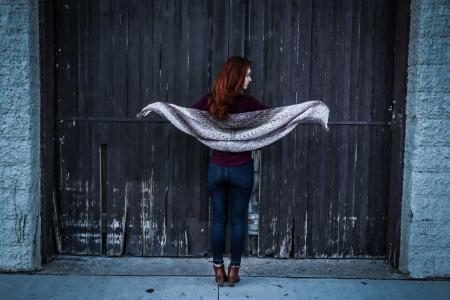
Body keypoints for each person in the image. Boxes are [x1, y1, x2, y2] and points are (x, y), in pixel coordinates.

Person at [191, 56, 270, 287]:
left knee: (218, 222)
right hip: (242, 171)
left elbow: (189, 116)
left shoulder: (211, 101)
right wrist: (303, 112)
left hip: (217, 169)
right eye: (247, 75)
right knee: (237, 222)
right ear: (237, 77)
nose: (250, 79)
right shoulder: (250, 105)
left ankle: (218, 269)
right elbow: (274, 119)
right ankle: (234, 271)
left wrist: (163, 109)